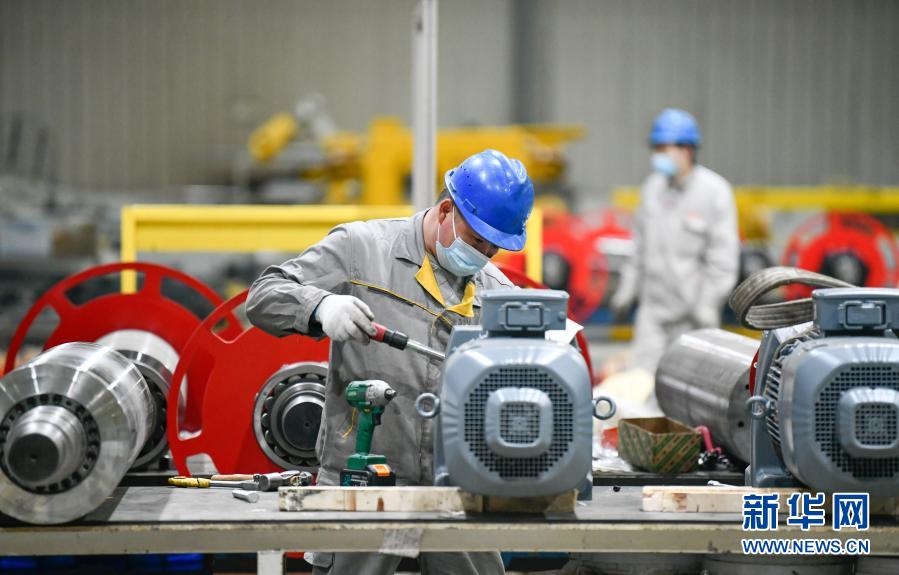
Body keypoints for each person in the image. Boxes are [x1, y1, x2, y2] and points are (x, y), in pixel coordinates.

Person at [246, 149, 534, 575]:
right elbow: (263, 296)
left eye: (494, 248)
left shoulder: (496, 292)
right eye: (477, 241)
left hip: (454, 488)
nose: (484, 254)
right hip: (365, 481)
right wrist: (321, 306)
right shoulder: (361, 250)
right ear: (446, 211)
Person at [611, 108, 739, 373]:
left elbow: (723, 260)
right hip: (653, 315)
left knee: (691, 386)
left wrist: (706, 306)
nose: (657, 155)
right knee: (643, 382)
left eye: (663, 148)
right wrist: (626, 291)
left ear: (686, 149)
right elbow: (639, 249)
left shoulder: (714, 192)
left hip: (693, 318)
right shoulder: (652, 189)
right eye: (655, 148)